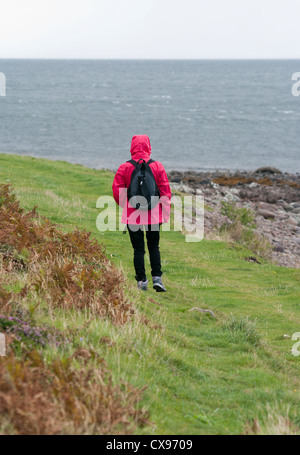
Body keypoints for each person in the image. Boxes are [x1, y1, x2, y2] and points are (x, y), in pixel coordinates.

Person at [112, 135, 171, 292]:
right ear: (148, 146)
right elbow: (165, 191)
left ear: (132, 147)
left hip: (133, 215)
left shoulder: (125, 167)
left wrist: (127, 206)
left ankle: (141, 281)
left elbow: (117, 191)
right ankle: (157, 278)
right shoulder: (157, 166)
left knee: (138, 249)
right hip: (154, 215)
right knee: (154, 247)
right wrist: (165, 213)